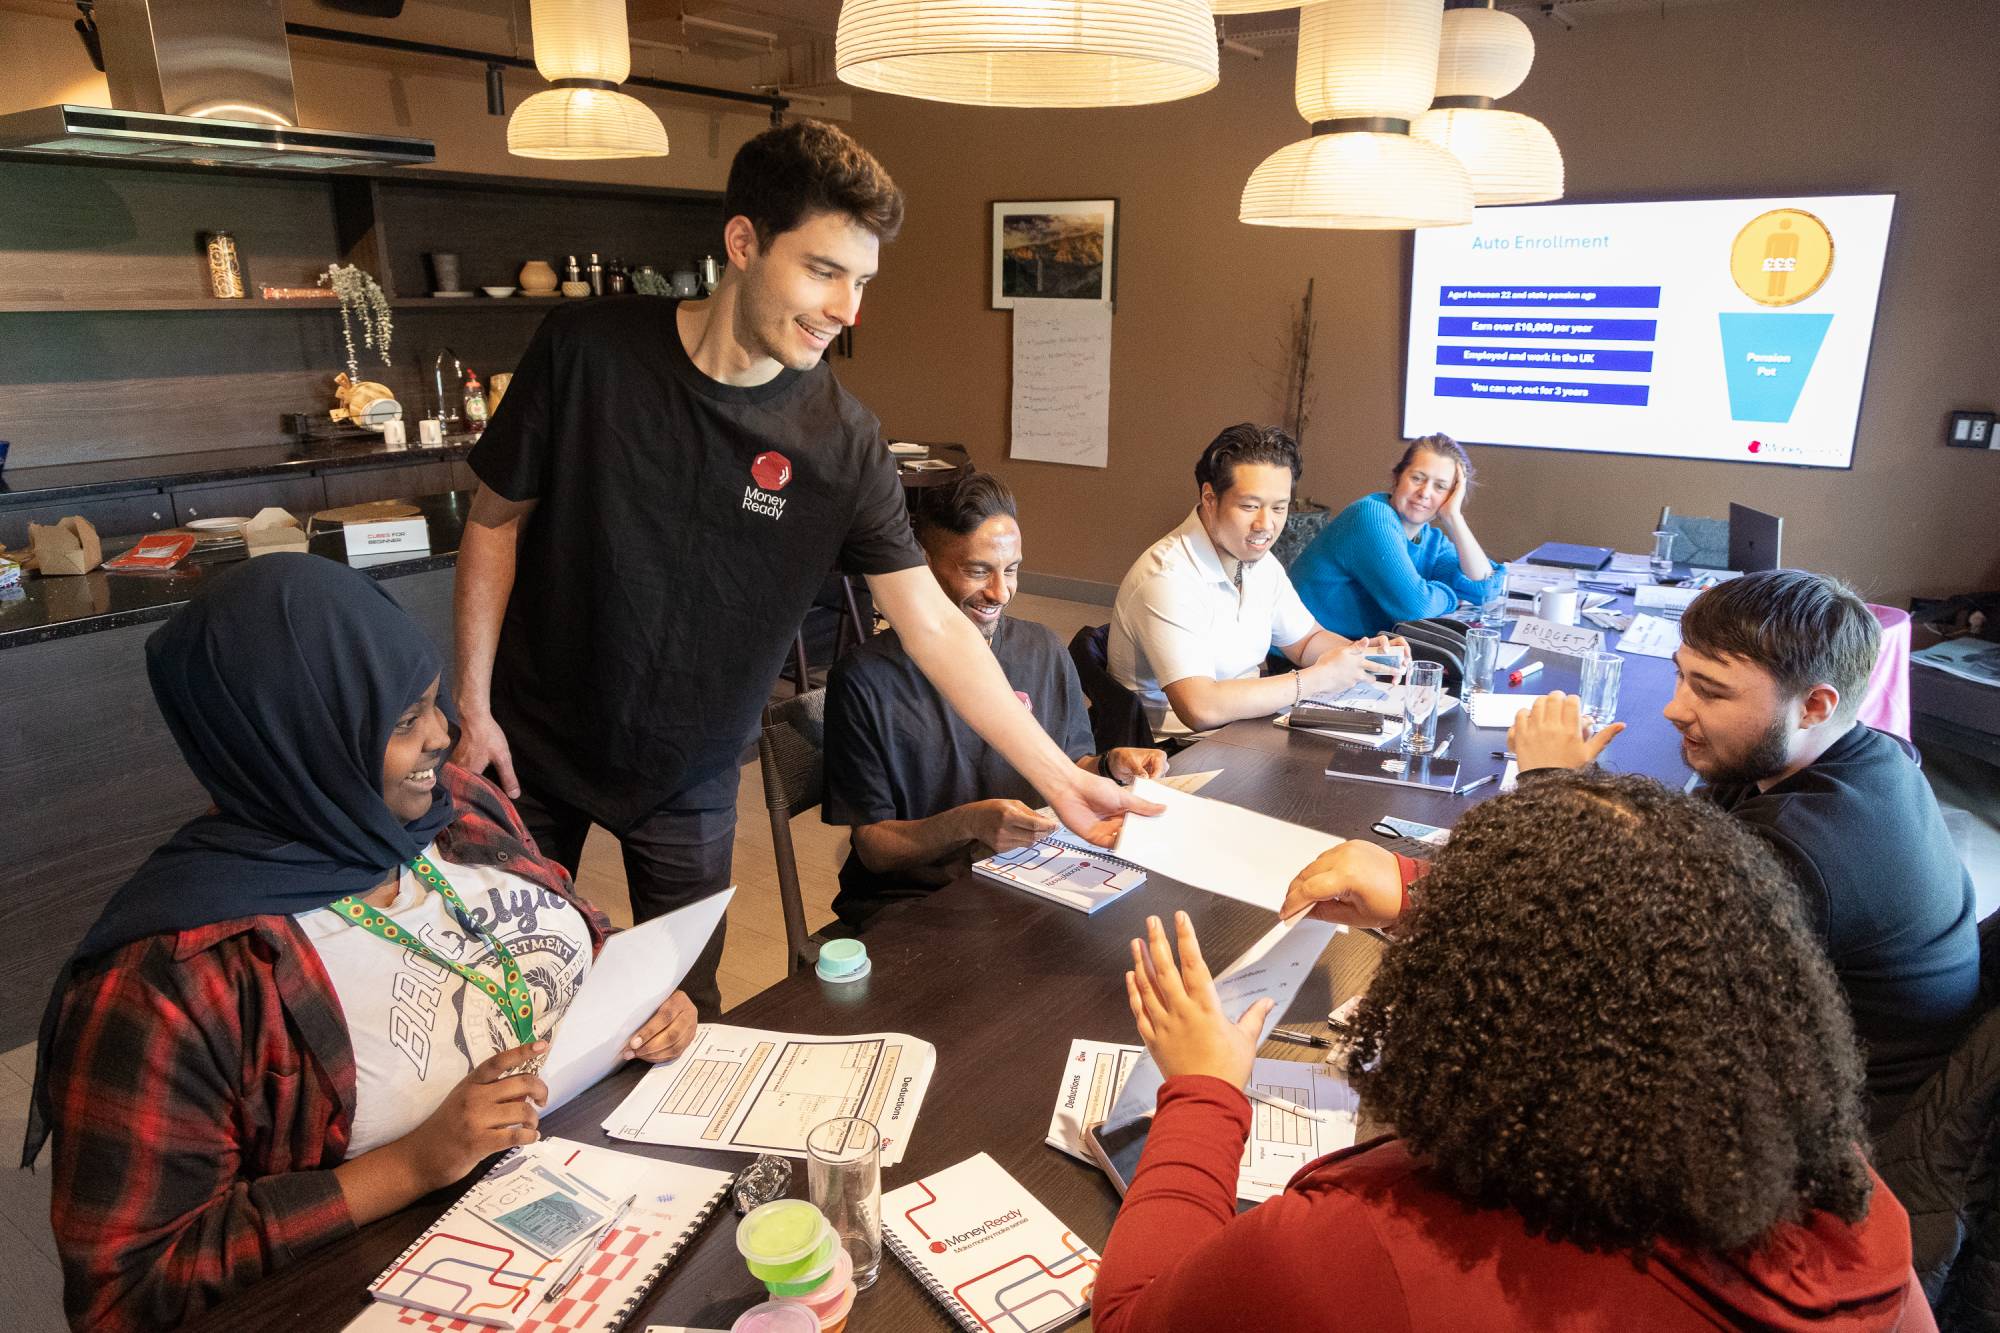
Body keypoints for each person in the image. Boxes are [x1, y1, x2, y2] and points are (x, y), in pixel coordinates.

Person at [452, 120, 1151, 1016]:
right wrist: (473, 705)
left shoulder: (842, 444)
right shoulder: (586, 348)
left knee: (683, 1008)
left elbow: (933, 625)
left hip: (691, 770)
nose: (846, 310)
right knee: (504, 986)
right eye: (823, 271)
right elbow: (495, 519)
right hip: (529, 741)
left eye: (860, 281)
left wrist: (1062, 776)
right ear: (742, 242)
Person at [25, 555, 702, 1333]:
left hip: (620, 1188)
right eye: (403, 721)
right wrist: (412, 1164)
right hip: (439, 1282)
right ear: (294, 738)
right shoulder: (173, 981)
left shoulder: (454, 809)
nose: (445, 736)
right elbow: (129, 1292)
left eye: (432, 701)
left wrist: (642, 991)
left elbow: (577, 929)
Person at [1100, 772, 1934, 1332]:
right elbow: (1626, 951)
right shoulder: (1840, 1202)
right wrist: (1428, 902)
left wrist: (1205, 1092)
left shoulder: (1363, 1250)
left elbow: (1137, 1313)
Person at [1497, 569, 1981, 1133]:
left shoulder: (1803, 846)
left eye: (1710, 690)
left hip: (1838, 1129)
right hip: (1808, 1051)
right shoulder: (1847, 753)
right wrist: (1585, 785)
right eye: (1682, 677)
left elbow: (1611, 955)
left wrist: (1551, 788)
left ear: (1815, 705)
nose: (1675, 709)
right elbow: (1686, 833)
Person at [822, 473, 1169, 929]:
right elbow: (875, 849)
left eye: (1012, 569)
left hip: (1032, 876)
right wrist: (967, 824)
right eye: (978, 570)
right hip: (920, 898)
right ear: (922, 566)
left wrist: (1107, 766)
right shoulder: (865, 679)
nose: (1000, 592)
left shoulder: (1042, 649)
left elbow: (1069, 765)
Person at [1108, 423, 1400, 739]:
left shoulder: (1257, 560)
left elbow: (1305, 642)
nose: (1266, 524)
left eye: (1279, 508)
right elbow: (1200, 709)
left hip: (1247, 729)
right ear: (1209, 498)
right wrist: (1316, 679)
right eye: (1249, 506)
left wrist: (1364, 656)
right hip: (1175, 752)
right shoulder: (1167, 578)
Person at [1287, 432, 1503, 638]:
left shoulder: (1430, 540)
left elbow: (1486, 590)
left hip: (1352, 653)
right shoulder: (1371, 516)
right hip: (1304, 657)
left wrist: (1454, 518)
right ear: (1398, 477)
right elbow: (1416, 609)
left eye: (1440, 487)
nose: (1425, 493)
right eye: (1417, 478)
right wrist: (1453, 596)